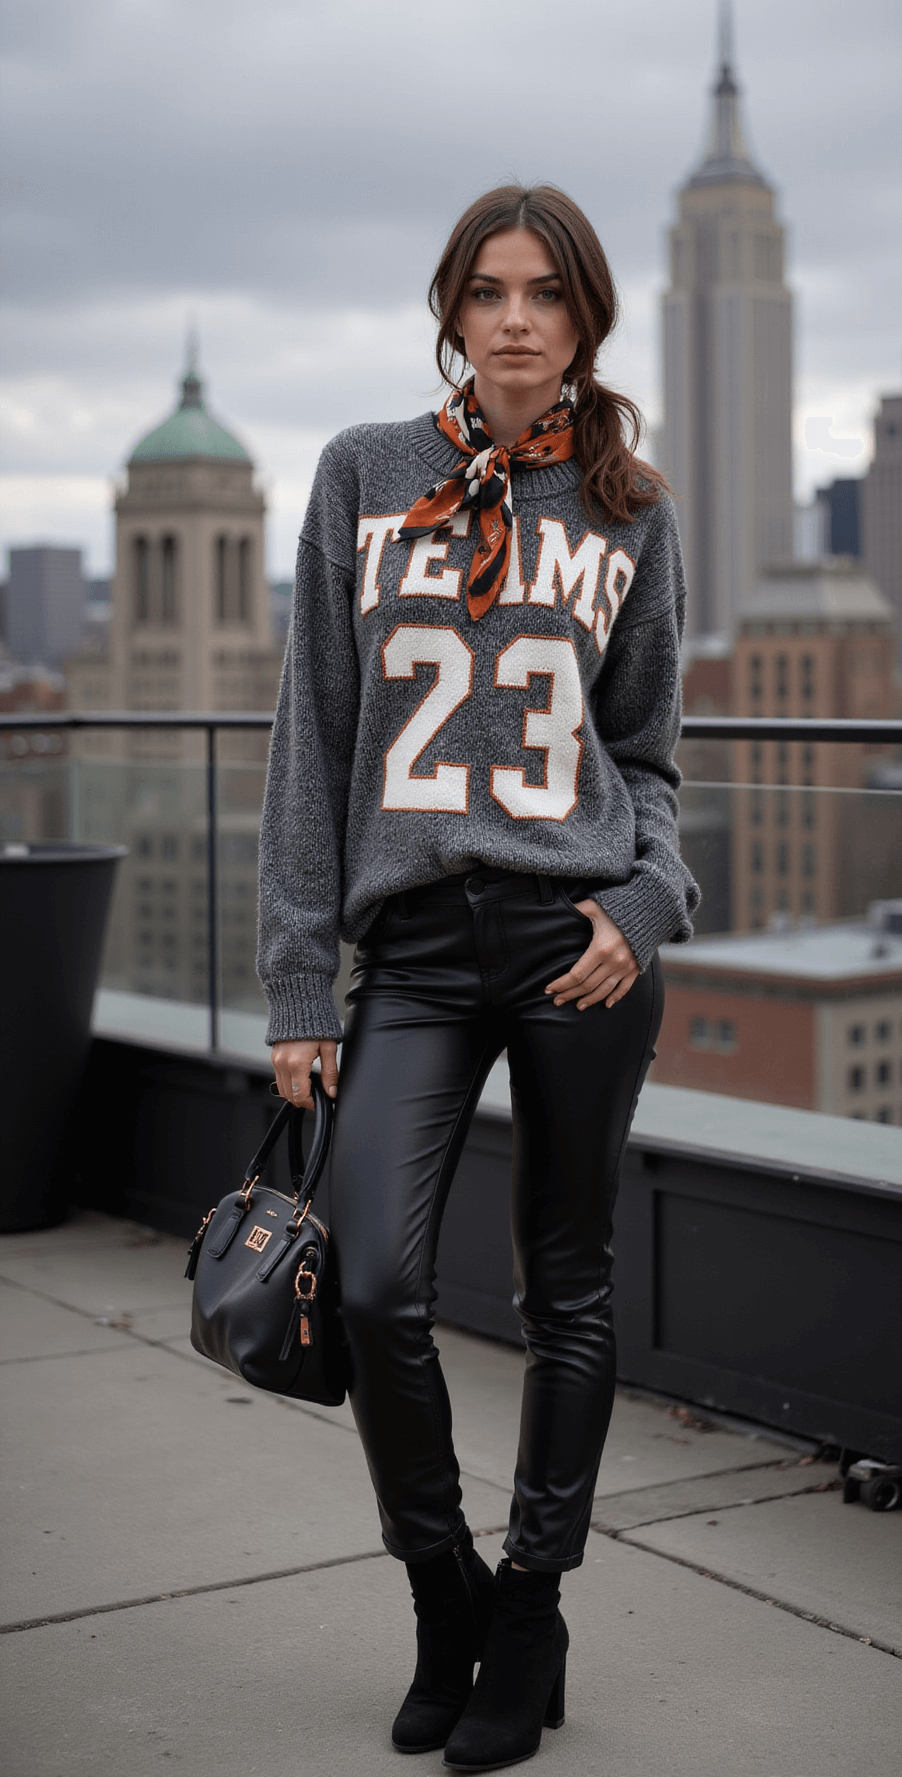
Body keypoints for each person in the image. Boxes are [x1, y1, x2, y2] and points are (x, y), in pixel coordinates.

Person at [257, 183, 699, 1771]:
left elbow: (647, 759)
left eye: (548, 294)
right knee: (372, 1283)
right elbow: (312, 742)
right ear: (452, 309)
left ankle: (532, 1611)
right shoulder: (365, 476)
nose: (518, 318)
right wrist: (302, 987)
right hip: (422, 949)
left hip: (581, 947)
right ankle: (442, 1587)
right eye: (490, 290)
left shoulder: (631, 508)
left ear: (584, 321)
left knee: (567, 1289)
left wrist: (644, 907)